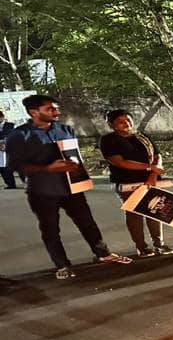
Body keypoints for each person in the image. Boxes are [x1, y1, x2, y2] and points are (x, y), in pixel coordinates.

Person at [4, 94, 132, 279]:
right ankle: (62, 265)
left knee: (87, 222)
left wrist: (78, 171)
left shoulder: (65, 130)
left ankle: (103, 254)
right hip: (42, 191)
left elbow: (74, 155)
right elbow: (15, 165)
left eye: (56, 108)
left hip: (71, 187)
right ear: (34, 112)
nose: (57, 112)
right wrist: (47, 168)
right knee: (50, 228)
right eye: (50, 109)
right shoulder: (19, 136)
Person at [99, 109, 173, 257]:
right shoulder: (108, 140)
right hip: (127, 183)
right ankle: (141, 246)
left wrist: (153, 174)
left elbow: (157, 155)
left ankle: (159, 244)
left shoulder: (142, 136)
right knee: (135, 214)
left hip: (151, 180)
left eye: (128, 120)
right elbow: (119, 162)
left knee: (154, 212)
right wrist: (149, 167)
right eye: (120, 122)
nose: (126, 123)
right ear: (111, 125)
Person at [1, 110, 23, 189]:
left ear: (2, 117)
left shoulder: (11, 125)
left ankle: (28, 183)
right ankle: (10, 184)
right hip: (1, 151)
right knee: (3, 168)